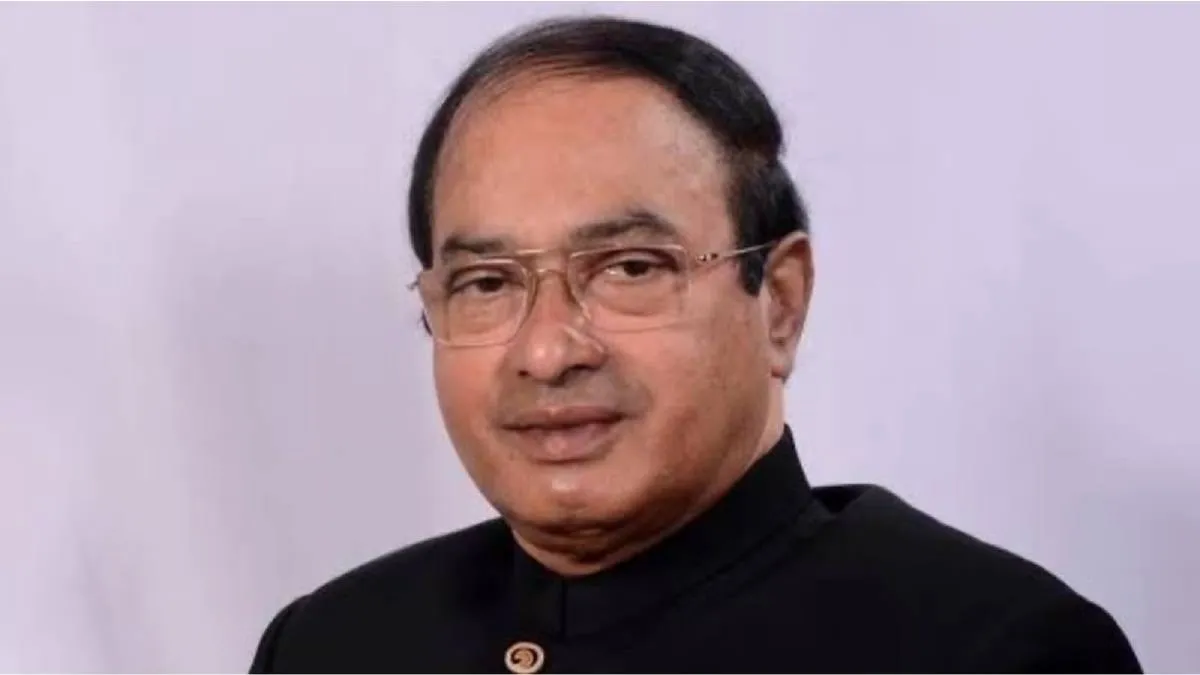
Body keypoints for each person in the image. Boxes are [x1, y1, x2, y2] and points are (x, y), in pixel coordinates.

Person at [249, 15, 1142, 674]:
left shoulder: (992, 648)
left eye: (630, 268)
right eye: (487, 283)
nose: (548, 351)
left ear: (779, 302)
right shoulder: (336, 644)